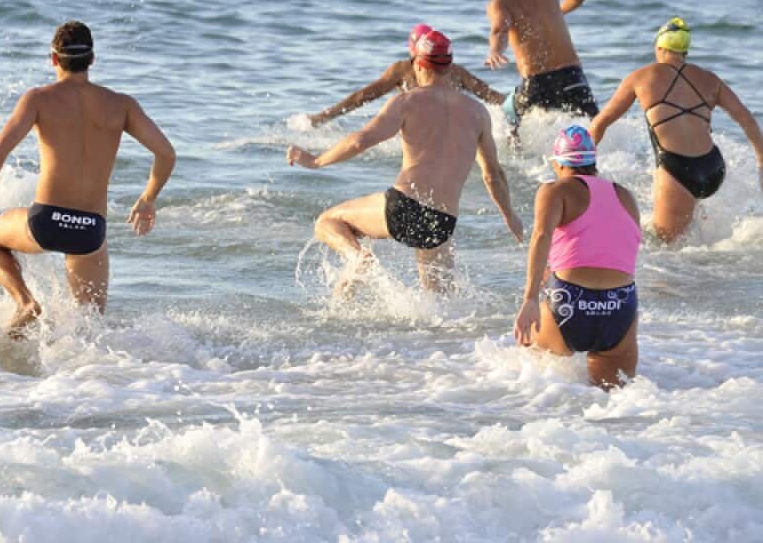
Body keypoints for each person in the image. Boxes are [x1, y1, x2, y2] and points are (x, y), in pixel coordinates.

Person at [0, 21, 176, 335]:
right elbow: (166, 153)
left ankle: (25, 303)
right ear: (92, 61)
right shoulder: (121, 105)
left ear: (53, 60)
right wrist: (147, 199)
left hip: (44, 222)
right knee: (89, 329)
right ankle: (87, 380)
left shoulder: (38, 99)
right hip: (90, 232)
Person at [286, 28, 523, 292]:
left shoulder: (406, 101)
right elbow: (493, 175)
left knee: (328, 222)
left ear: (418, 65)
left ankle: (357, 258)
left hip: (404, 208)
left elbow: (359, 141)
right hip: (443, 221)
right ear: (450, 65)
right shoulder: (478, 112)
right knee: (439, 303)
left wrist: (316, 161)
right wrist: (509, 215)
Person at [590, 19, 763, 242]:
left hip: (677, 169)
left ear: (660, 48)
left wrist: (584, 166)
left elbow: (601, 122)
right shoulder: (711, 80)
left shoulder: (641, 77)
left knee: (666, 247)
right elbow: (747, 120)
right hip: (713, 166)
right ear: (684, 50)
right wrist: (761, 161)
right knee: (697, 238)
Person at [515, 126, 641, 389]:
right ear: (593, 162)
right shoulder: (625, 195)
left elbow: (541, 237)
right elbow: (619, 250)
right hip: (620, 306)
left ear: (559, 164)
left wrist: (529, 299)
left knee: (536, 389)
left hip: (569, 300)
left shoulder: (554, 191)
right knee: (616, 407)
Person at [485, 0, 595, 135]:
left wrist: (495, 51)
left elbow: (499, 30)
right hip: (573, 76)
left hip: (538, 83)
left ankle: (520, 164)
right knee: (595, 127)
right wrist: (556, 13)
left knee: (512, 126)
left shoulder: (501, 3)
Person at [308, 24, 503, 126]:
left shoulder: (401, 70)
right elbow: (492, 96)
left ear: (412, 50)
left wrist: (324, 117)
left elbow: (362, 97)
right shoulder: (455, 71)